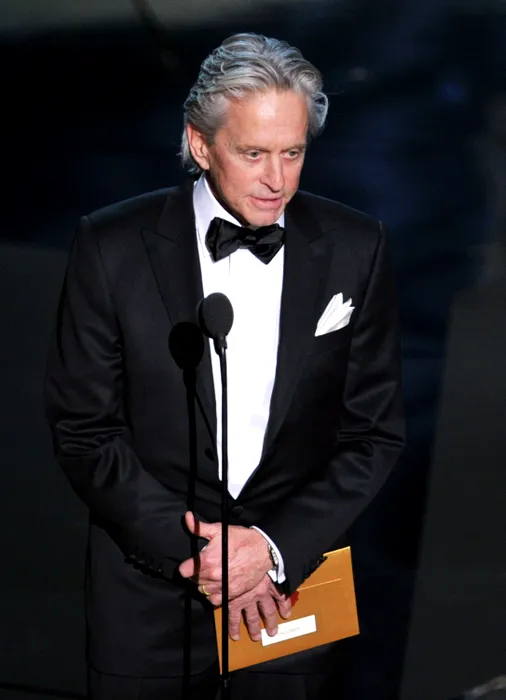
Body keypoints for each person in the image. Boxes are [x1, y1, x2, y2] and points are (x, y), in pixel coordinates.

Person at [44, 32, 405, 700]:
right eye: (254, 153)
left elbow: (373, 433)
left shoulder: (357, 247)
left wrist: (269, 548)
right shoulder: (111, 246)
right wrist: (200, 552)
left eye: (293, 152)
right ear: (202, 144)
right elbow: (84, 429)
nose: (278, 179)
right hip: (149, 593)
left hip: (290, 589)